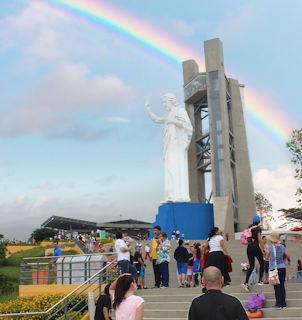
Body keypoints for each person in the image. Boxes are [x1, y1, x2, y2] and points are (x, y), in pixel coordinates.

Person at [144, 94, 193, 203]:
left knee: (176, 168)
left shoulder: (180, 111)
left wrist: (174, 121)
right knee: (170, 168)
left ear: (171, 101)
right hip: (169, 145)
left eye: (165, 102)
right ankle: (171, 195)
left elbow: (188, 125)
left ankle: (179, 196)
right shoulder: (168, 115)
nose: (164, 105)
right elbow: (155, 119)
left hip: (177, 145)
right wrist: (147, 107)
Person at [265, 231, 290, 309]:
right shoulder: (282, 246)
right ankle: (283, 303)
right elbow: (288, 255)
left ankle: (278, 304)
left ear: (272, 240)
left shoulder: (270, 247)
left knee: (277, 287)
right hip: (282, 267)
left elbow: (266, 257)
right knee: (282, 286)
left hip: (274, 269)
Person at [242, 215, 265, 292]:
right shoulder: (258, 229)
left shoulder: (249, 229)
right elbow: (259, 239)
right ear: (259, 221)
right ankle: (260, 280)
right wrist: (263, 250)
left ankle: (245, 282)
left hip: (249, 248)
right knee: (262, 262)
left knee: (251, 266)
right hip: (255, 247)